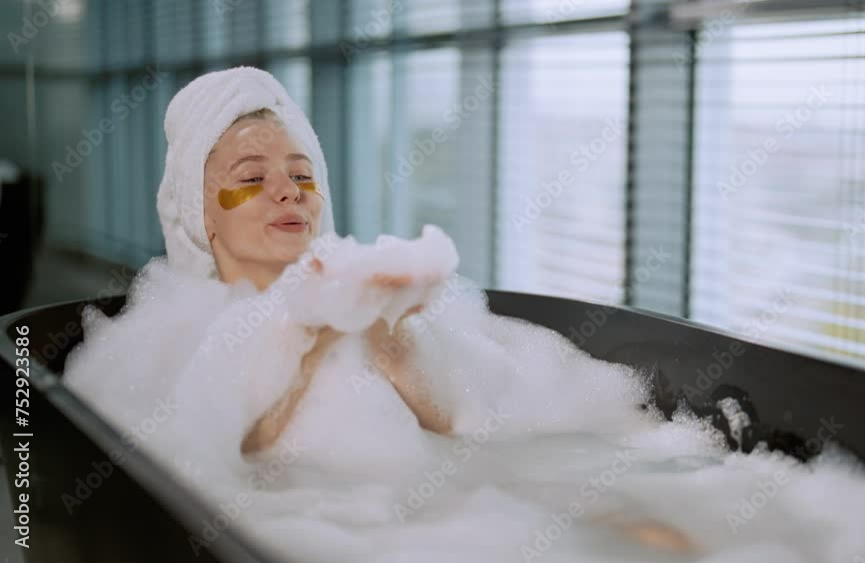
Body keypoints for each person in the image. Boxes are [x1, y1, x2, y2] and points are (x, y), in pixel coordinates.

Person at [74, 66, 696, 557]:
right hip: (310, 524)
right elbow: (207, 460)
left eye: (302, 174)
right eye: (251, 176)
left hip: (431, 512)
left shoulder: (360, 298)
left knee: (654, 536)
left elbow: (469, 425)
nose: (289, 190)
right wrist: (309, 328)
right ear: (201, 213)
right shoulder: (178, 333)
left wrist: (388, 328)